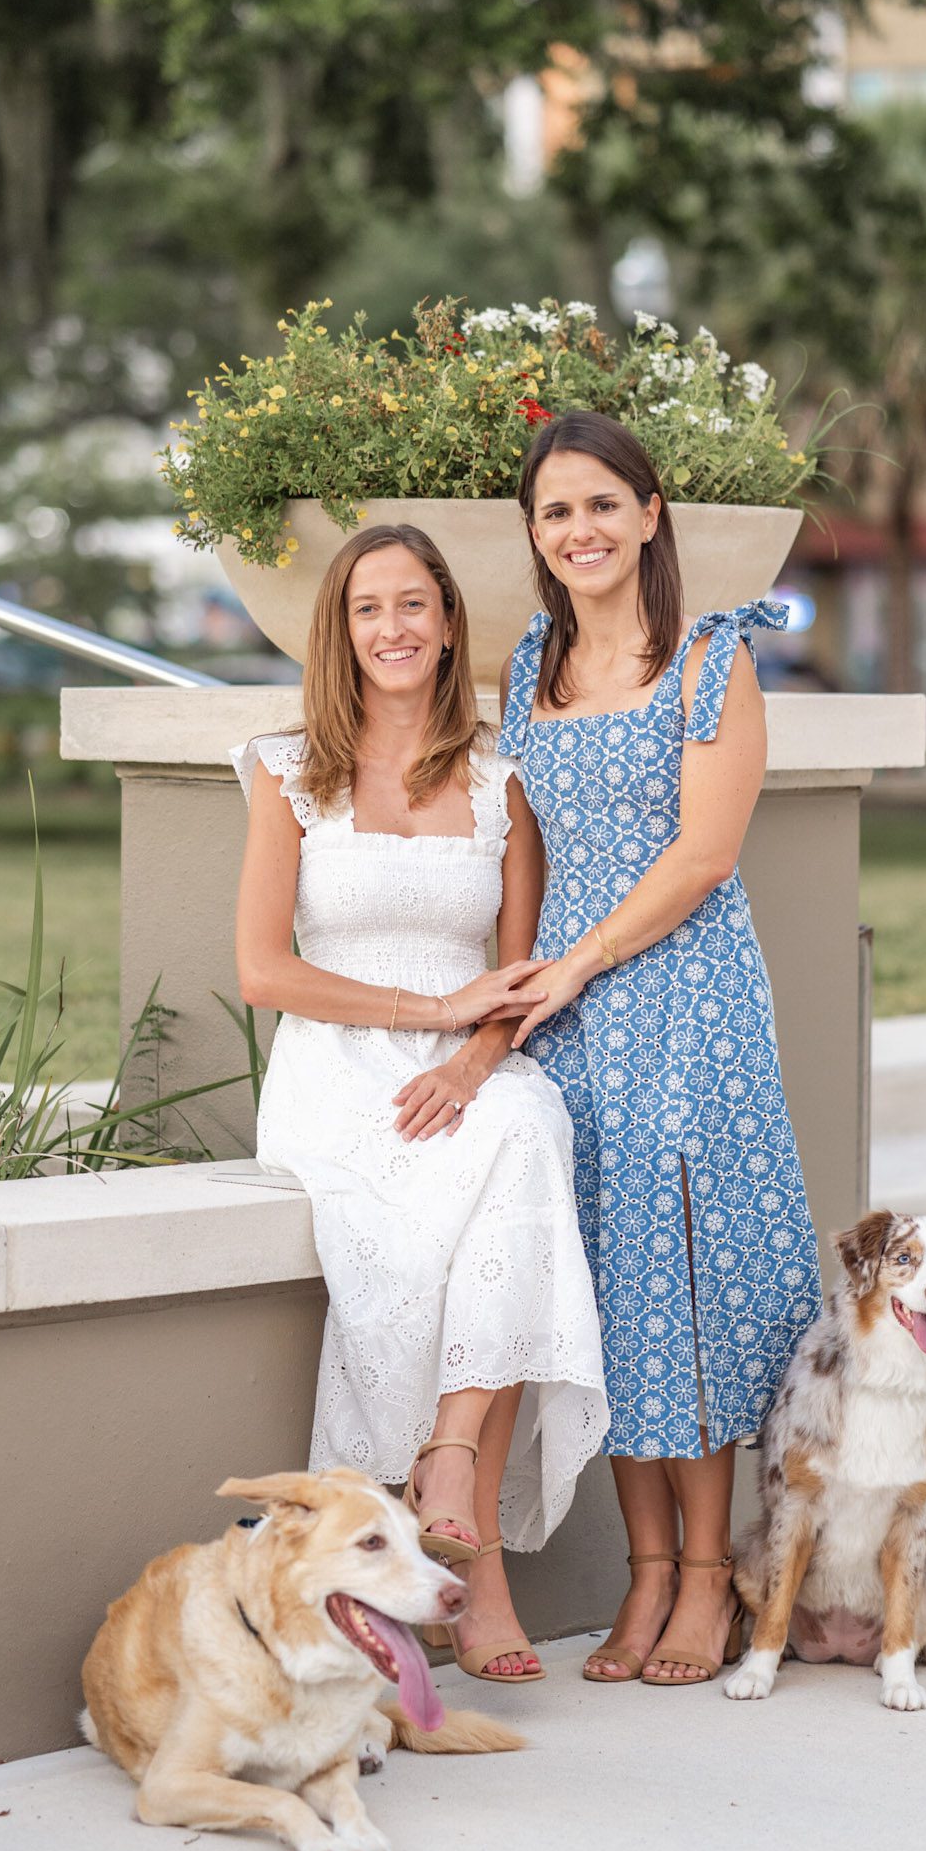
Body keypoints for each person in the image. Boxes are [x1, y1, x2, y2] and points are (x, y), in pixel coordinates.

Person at [233, 521, 610, 1682]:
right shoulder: (285, 769)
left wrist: (473, 1051)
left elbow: (518, 977)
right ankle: (477, 1559)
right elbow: (264, 969)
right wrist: (430, 1018)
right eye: (367, 609)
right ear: (340, 633)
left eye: (413, 605)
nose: (392, 628)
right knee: (511, 1156)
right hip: (336, 1076)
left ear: (448, 622)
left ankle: (451, 1478)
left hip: (463, 1070)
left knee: (524, 1126)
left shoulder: (504, 784)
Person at [497, 411, 821, 1686]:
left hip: (684, 999)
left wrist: (575, 960)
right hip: (568, 1016)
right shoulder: (530, 664)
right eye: (554, 512)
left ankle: (707, 1578)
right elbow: (524, 840)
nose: (579, 530)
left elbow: (703, 855)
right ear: (536, 535)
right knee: (608, 1285)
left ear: (650, 512)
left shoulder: (710, 659)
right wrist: (516, 983)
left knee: (687, 1281)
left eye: (599, 505)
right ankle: (642, 1576)